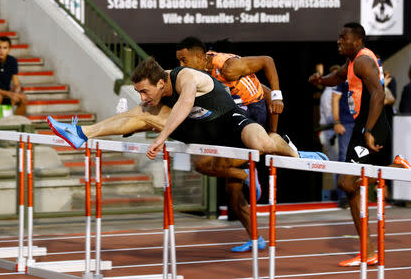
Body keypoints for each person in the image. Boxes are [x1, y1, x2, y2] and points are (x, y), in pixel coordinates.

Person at [48, 57, 327, 252]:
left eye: (144, 90)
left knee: (262, 145)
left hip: (228, 122)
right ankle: (82, 133)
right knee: (141, 114)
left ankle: (291, 148)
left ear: (160, 83)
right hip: (198, 130)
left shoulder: (186, 77)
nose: (143, 95)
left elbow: (184, 106)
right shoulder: (154, 95)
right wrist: (130, 128)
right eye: (138, 91)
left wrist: (160, 137)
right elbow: (146, 116)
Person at [309, 22, 410, 267]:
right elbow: (339, 76)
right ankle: (368, 250)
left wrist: (368, 131)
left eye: (343, 38)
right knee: (351, 189)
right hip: (361, 128)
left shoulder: (364, 61)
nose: (338, 41)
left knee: (347, 182)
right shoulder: (353, 62)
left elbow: (377, 94)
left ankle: (397, 168)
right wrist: (322, 80)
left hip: (372, 128)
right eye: (339, 37)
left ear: (357, 40)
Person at [175, 36, 283, 251]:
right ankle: (256, 238)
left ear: (199, 57)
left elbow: (267, 61)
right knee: (232, 195)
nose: (181, 66)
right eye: (178, 61)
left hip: (251, 114)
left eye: (184, 60)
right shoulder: (199, 74)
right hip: (232, 115)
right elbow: (255, 84)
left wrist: (277, 100)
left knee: (204, 163)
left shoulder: (228, 67)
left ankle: (249, 172)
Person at [0, 36, 27, 124]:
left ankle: (18, 125)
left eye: (5, 48)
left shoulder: (13, 61)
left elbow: (16, 83)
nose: (1, 50)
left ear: (9, 49)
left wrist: (16, 91)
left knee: (23, 97)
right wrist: (10, 94)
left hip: (6, 93)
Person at [331, 79, 354, 208]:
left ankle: (356, 193)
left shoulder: (364, 74)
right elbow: (335, 99)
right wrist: (337, 122)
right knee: (343, 158)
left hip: (360, 124)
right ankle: (343, 196)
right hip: (346, 123)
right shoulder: (343, 76)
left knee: (359, 159)